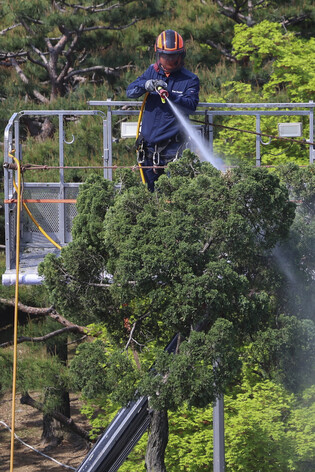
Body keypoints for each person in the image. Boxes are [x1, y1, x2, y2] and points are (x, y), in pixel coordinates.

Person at [126, 29, 200, 191]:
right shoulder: (152, 72)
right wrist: (145, 85)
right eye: (165, 57)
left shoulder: (190, 80)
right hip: (148, 149)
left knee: (173, 195)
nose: (169, 61)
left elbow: (191, 105)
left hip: (173, 150)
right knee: (147, 196)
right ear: (158, 55)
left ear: (181, 56)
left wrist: (171, 95)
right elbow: (130, 91)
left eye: (173, 57)